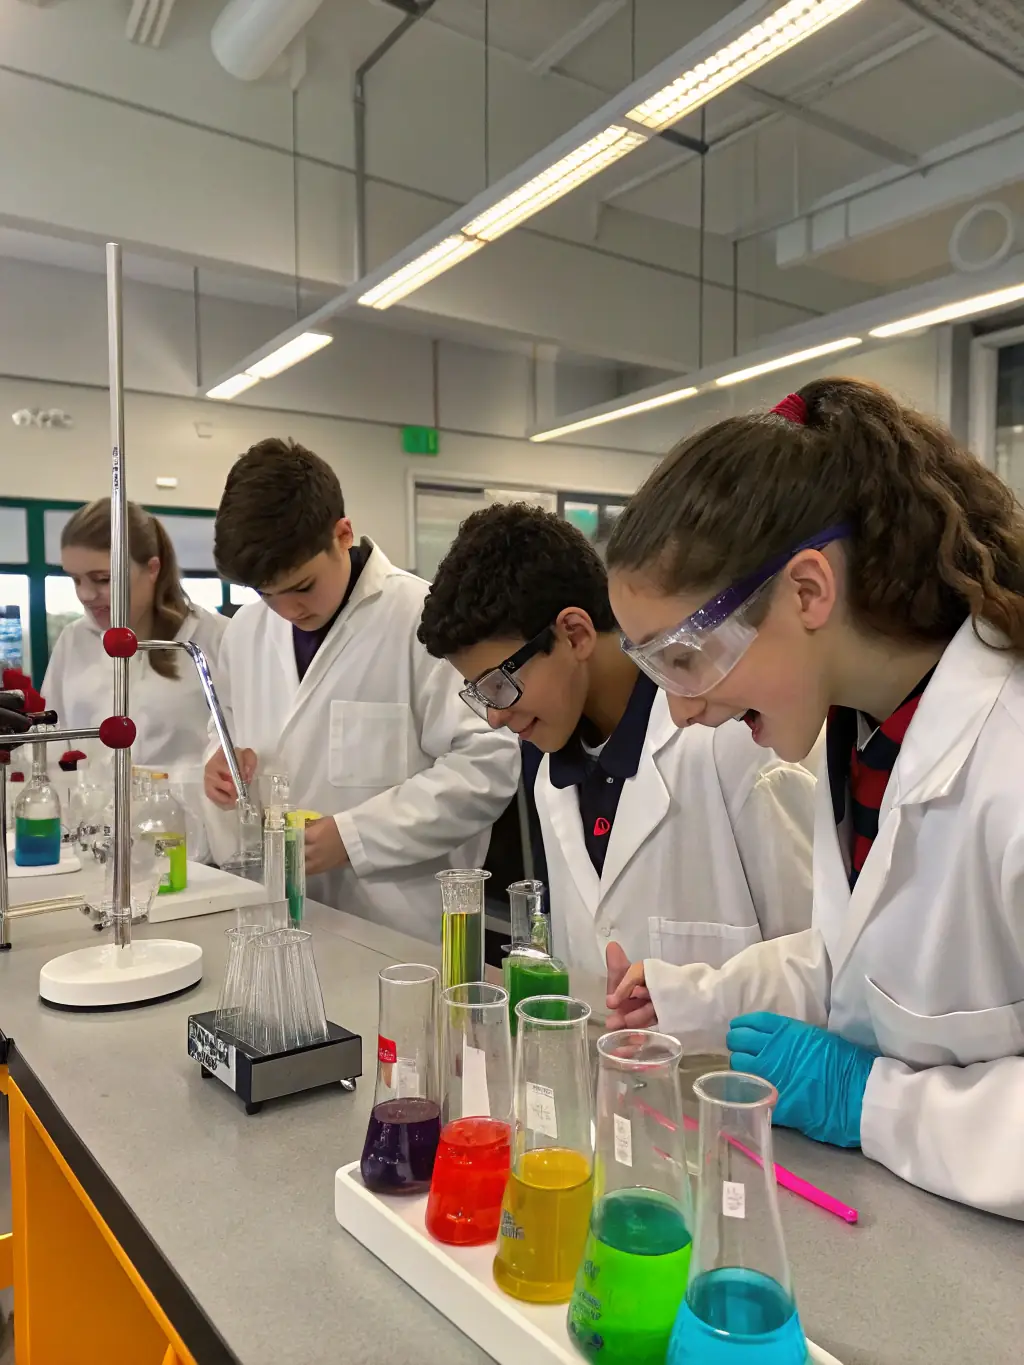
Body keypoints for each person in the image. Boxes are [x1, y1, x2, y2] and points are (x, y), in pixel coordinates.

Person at [603, 378, 1024, 1220]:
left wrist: (871, 1100)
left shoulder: (1008, 757)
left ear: (806, 591)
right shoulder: (861, 734)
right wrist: (702, 997)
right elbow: (865, 965)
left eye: (685, 656)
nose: (680, 711)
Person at [417, 502, 815, 996]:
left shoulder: (733, 742)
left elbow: (817, 962)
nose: (494, 716)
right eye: (479, 694)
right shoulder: (551, 778)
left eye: (499, 685)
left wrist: (696, 998)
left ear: (575, 634)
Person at [203, 438, 520, 937]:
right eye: (266, 594)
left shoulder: (419, 618)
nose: (287, 610)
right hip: (276, 907)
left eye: (302, 587)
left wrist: (354, 837)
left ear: (343, 534)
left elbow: (487, 765)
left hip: (396, 925)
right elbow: (223, 725)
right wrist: (219, 763)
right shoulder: (245, 630)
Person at [43, 498, 227, 781]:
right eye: (76, 580)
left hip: (191, 809)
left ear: (152, 569)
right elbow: (51, 744)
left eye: (103, 579)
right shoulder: (74, 640)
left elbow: (239, 745)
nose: (85, 595)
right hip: (90, 808)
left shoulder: (215, 637)